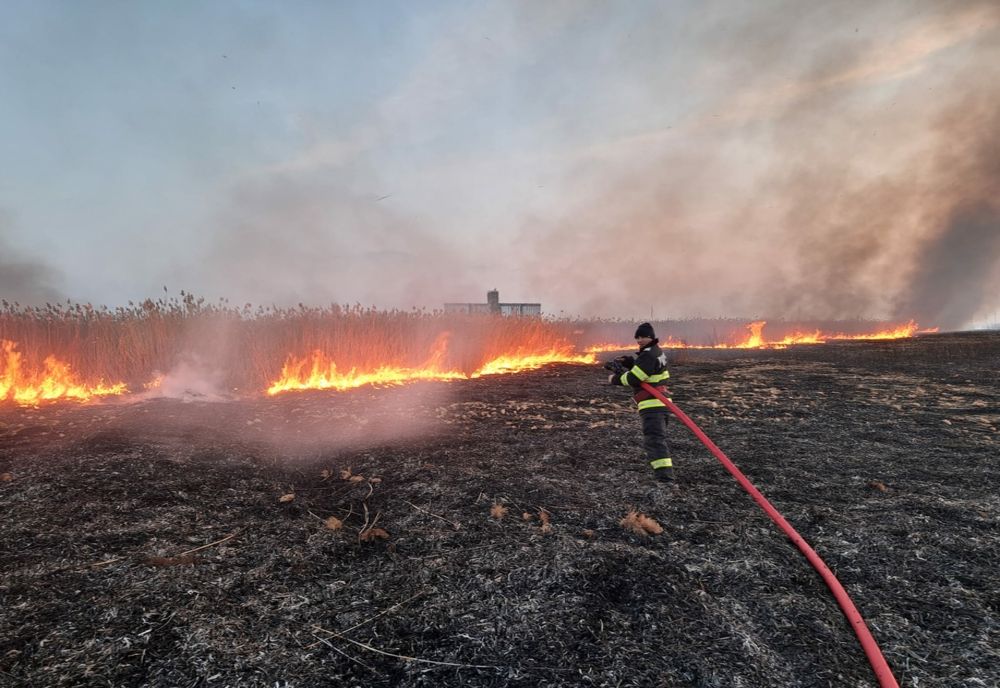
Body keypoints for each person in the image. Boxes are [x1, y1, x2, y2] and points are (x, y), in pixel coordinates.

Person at [607, 322, 674, 482]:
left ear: (650, 337)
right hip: (661, 403)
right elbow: (648, 371)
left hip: (653, 405)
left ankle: (665, 479)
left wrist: (614, 379)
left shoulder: (648, 355)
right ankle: (664, 477)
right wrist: (631, 363)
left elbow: (634, 378)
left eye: (642, 337)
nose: (639, 340)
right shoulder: (656, 352)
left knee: (654, 440)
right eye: (637, 337)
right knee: (657, 439)